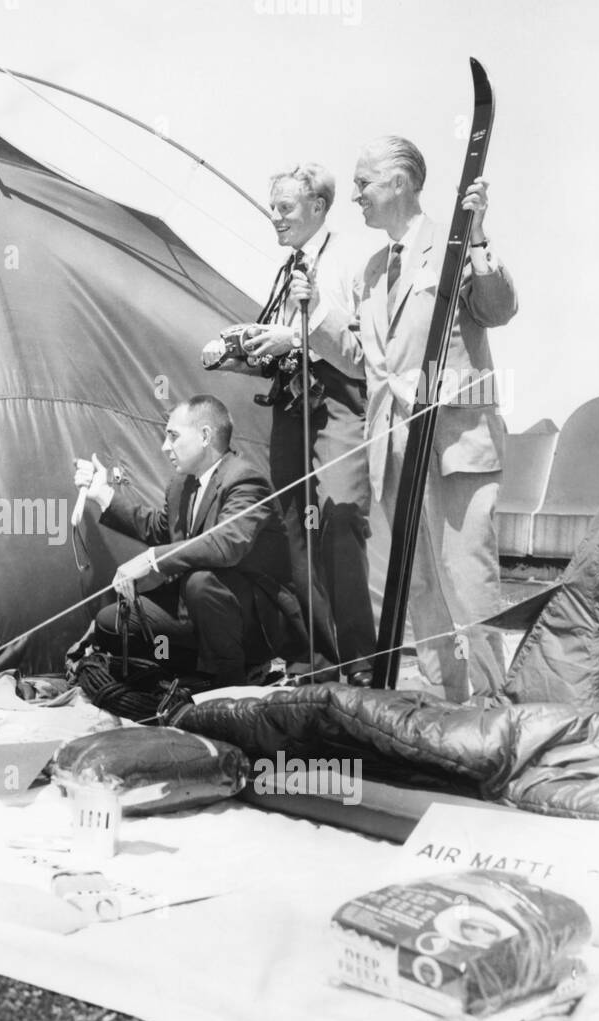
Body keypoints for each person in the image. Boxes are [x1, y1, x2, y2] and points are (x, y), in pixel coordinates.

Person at [305, 135, 517, 701]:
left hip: (454, 445)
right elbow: (364, 360)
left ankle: (496, 711)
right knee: (417, 583)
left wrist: (477, 238)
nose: (354, 197)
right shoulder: (371, 271)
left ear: (398, 182)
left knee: (467, 579)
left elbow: (498, 309)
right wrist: (316, 316)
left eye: (363, 184)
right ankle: (446, 706)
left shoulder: (452, 245)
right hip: (393, 449)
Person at [202, 163, 375, 685]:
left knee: (340, 521)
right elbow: (284, 340)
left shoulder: (349, 258)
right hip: (292, 408)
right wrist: (246, 356)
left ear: (318, 207)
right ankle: (316, 662)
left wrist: (292, 341)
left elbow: (359, 344)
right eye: (272, 207)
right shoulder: (289, 267)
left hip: (339, 403)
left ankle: (362, 664)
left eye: (285, 208)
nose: (273, 217)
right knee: (296, 529)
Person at [73, 395, 306, 685]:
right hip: (194, 606)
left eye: (173, 436)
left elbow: (226, 545)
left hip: (248, 619)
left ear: (205, 436)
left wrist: (151, 559)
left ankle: (234, 682)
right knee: (111, 625)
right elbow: (159, 529)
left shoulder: (245, 480)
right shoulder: (180, 485)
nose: (164, 446)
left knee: (201, 581)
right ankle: (196, 674)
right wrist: (103, 494)